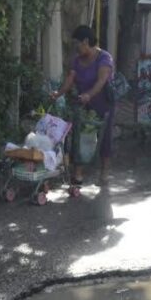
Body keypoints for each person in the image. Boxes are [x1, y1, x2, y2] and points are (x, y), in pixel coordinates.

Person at [52, 25, 114, 184]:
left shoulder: (104, 58)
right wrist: (58, 93)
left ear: (86, 42)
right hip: (83, 103)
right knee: (79, 135)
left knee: (104, 137)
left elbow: (101, 81)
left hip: (103, 102)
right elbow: (69, 80)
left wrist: (89, 94)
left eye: (77, 45)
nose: (76, 49)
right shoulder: (77, 61)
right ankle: (78, 172)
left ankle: (104, 172)